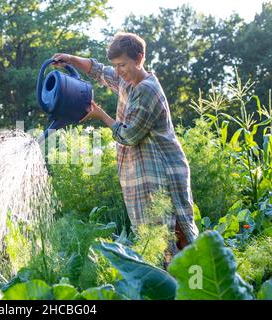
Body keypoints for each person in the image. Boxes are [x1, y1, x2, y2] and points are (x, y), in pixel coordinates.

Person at [52, 32, 199, 265]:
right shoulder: (128, 81)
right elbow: (98, 71)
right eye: (115, 65)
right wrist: (70, 59)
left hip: (163, 175)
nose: (118, 70)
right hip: (141, 175)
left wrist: (101, 115)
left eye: (122, 64)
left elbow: (129, 135)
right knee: (154, 243)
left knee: (176, 240)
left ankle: (193, 288)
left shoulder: (146, 89)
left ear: (139, 58)